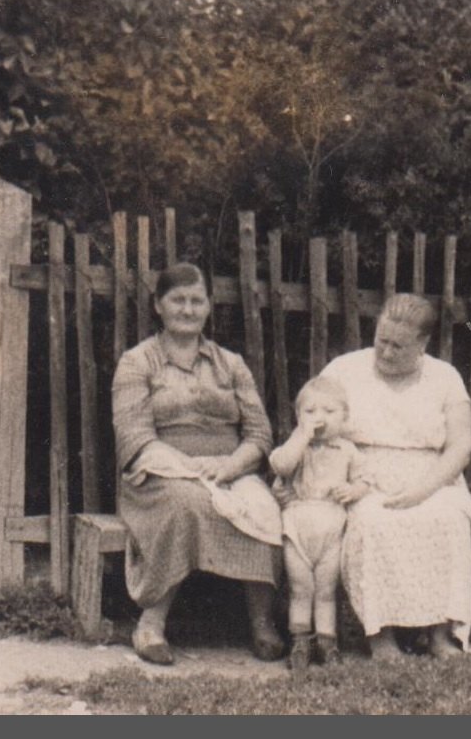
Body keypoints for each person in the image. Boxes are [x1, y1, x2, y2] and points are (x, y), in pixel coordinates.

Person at [111, 262, 285, 665]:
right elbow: (135, 437)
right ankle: (151, 623)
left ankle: (262, 622)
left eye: (196, 301)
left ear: (208, 306)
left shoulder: (231, 364)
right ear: (158, 305)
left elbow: (259, 435)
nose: (187, 310)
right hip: (158, 471)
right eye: (178, 300)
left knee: (264, 507)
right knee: (187, 501)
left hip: (228, 469)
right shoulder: (138, 363)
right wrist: (191, 468)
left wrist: (230, 467)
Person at [319, 293, 471, 661]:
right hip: (363, 475)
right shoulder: (344, 370)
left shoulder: (445, 377)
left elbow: (460, 446)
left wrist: (423, 490)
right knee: (373, 522)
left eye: (398, 346)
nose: (386, 353)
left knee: (447, 519)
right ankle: (381, 636)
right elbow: (315, 419)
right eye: (382, 341)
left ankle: (440, 634)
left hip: (432, 477)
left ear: (423, 344)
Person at [268, 376, 369, 669]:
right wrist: (301, 436)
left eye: (329, 411)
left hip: (331, 526)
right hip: (298, 525)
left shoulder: (347, 450)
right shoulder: (297, 447)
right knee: (301, 588)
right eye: (309, 411)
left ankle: (327, 642)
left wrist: (352, 490)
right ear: (298, 416)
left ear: (345, 416)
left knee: (326, 590)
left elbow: (364, 480)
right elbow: (280, 465)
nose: (318, 417)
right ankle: (300, 641)